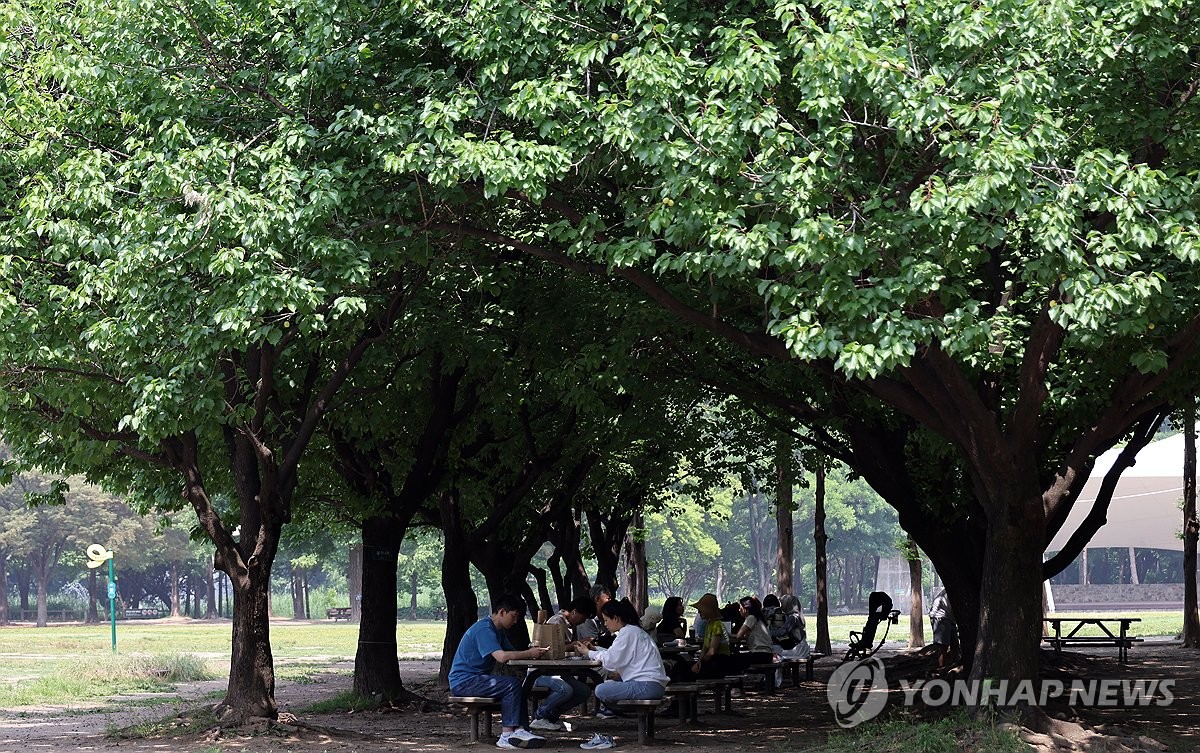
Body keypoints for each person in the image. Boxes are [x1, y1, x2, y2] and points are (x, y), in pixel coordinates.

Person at [448, 593, 549, 750]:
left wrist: (533, 653)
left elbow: (513, 655)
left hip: (477, 679)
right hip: (464, 682)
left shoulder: (498, 631)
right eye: (514, 616)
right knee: (511, 685)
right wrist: (529, 654)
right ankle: (507, 735)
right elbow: (502, 657)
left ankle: (521, 730)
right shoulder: (484, 629)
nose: (516, 622)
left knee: (517, 686)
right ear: (502, 612)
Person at [572, 599, 669, 719]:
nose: (605, 624)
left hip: (646, 686)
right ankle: (617, 711)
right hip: (654, 685)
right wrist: (595, 649)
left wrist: (588, 652)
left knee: (601, 690)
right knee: (610, 684)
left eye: (606, 620)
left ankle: (625, 712)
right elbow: (615, 654)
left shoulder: (627, 633)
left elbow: (611, 661)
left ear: (616, 618)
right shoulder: (634, 631)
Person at [529, 598, 595, 731]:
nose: (583, 622)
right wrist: (579, 643)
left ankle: (550, 717)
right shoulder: (557, 621)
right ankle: (539, 716)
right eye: (583, 617)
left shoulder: (569, 625)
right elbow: (554, 648)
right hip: (541, 672)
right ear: (574, 612)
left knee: (584, 691)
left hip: (558, 671)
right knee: (565, 689)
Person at [689, 593, 737, 678]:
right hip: (712, 660)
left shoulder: (717, 625)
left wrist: (701, 663)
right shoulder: (709, 624)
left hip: (720, 661)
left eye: (701, 610)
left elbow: (711, 651)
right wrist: (698, 662)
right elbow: (704, 648)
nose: (699, 612)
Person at [733, 596, 775, 670]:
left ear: (746, 609)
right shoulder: (758, 618)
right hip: (767, 654)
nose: (739, 610)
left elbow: (739, 636)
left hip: (760, 654)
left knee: (734, 659)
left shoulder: (751, 618)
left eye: (741, 608)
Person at [929, 587, 958, 668]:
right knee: (943, 646)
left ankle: (955, 665)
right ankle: (941, 668)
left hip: (948, 618)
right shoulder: (954, 591)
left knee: (954, 645)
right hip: (940, 618)